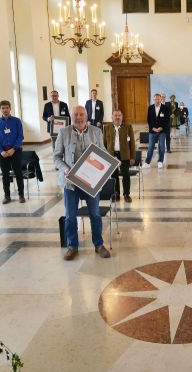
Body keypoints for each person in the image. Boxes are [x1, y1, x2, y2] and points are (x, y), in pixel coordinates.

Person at [53, 105, 111, 261]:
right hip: (70, 183)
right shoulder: (63, 133)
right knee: (70, 216)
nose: (79, 117)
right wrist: (66, 169)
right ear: (71, 117)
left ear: (87, 117)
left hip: (91, 182)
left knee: (95, 214)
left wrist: (110, 162)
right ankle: (72, 246)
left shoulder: (96, 132)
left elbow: (103, 152)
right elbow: (56, 157)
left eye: (81, 115)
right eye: (76, 115)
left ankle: (98, 245)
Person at [0, 100, 25, 204]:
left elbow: (20, 136)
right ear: (0, 109)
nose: (5, 110)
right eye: (3, 108)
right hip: (2, 152)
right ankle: (7, 196)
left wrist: (14, 148)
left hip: (15, 150)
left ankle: (21, 195)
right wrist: (1, 151)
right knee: (5, 174)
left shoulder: (16, 121)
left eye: (7, 108)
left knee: (18, 173)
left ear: (10, 108)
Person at [103, 109, 136, 203]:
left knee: (126, 175)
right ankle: (116, 193)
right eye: (115, 115)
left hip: (125, 155)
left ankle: (126, 194)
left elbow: (132, 143)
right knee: (114, 176)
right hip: (111, 155)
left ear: (122, 117)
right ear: (112, 117)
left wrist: (132, 156)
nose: (117, 117)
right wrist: (105, 157)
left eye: (119, 115)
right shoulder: (107, 127)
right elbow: (104, 144)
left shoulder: (128, 127)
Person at [144, 93, 169, 169]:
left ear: (161, 99)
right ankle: (147, 162)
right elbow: (148, 119)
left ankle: (160, 161)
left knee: (161, 147)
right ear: (153, 100)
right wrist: (153, 128)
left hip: (162, 131)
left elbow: (167, 119)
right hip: (152, 131)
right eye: (155, 99)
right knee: (150, 147)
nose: (157, 101)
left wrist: (161, 127)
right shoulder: (150, 107)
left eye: (158, 99)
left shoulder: (165, 108)